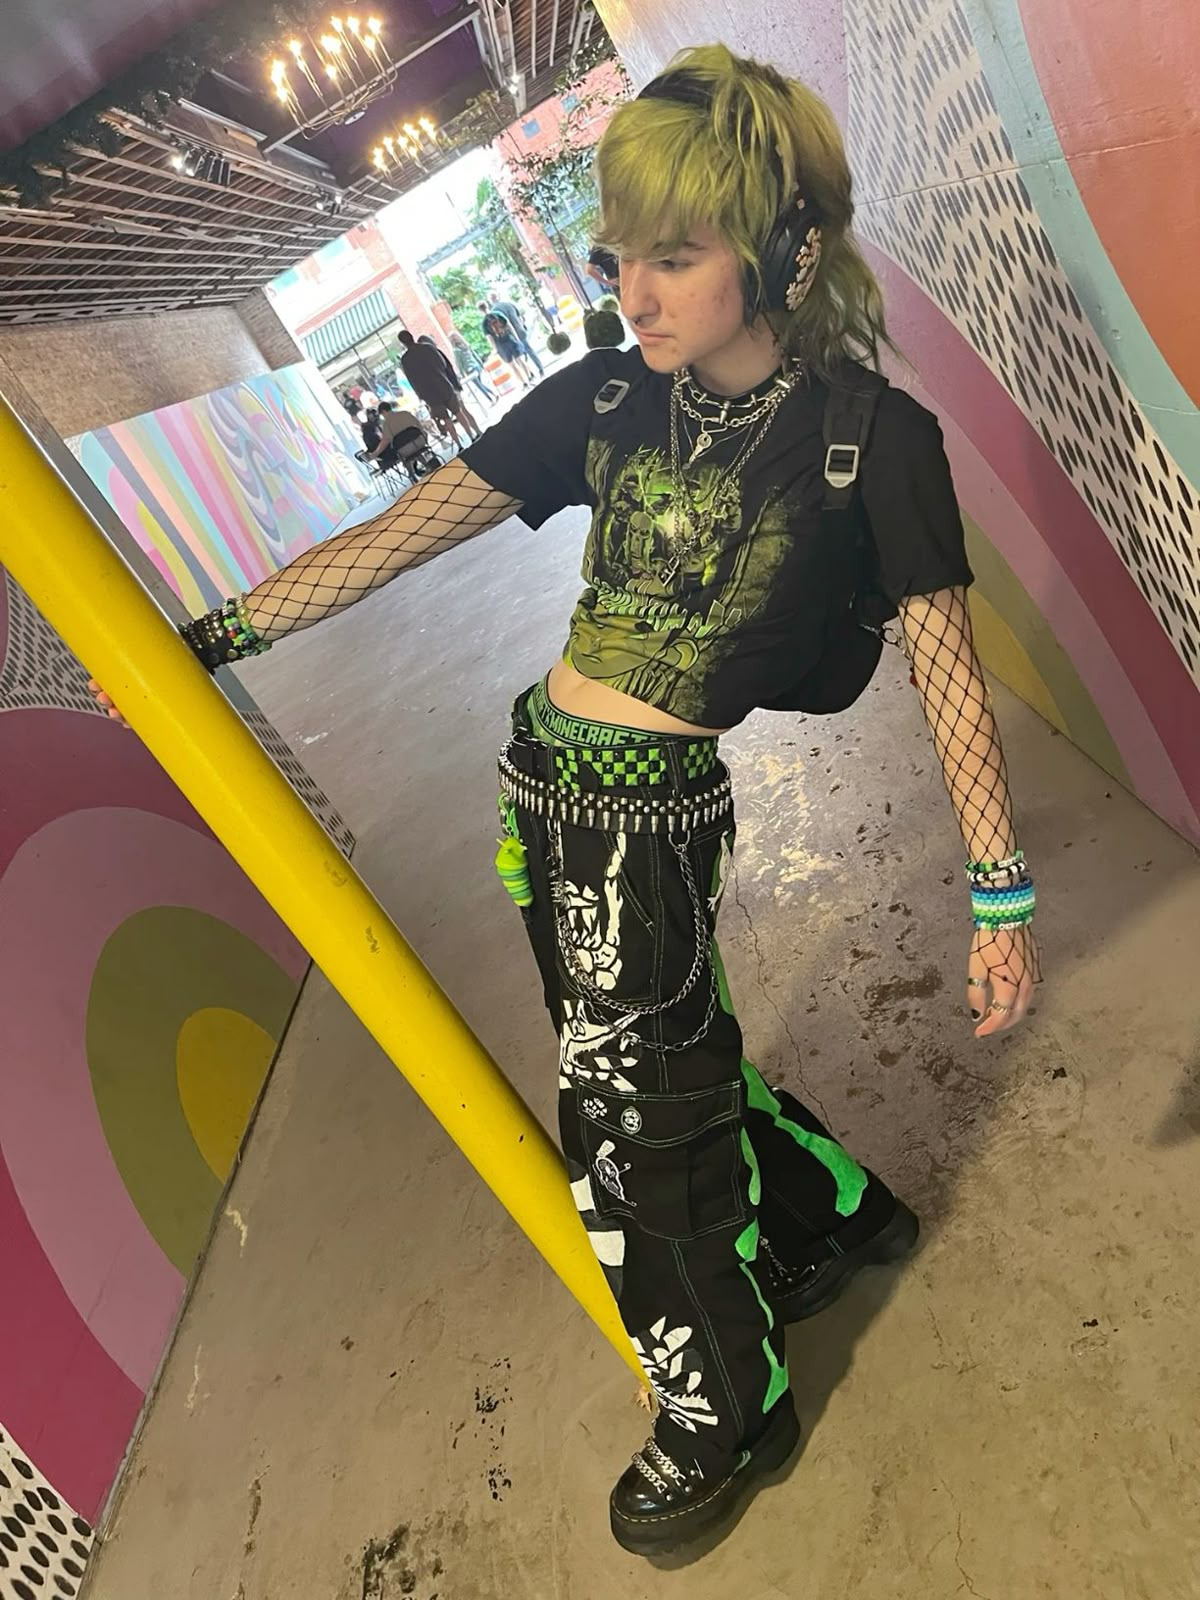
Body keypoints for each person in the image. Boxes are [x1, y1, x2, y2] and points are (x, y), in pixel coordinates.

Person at [94, 43, 1041, 1563]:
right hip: (542, 796)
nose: (635, 292)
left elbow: (946, 668)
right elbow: (409, 528)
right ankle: (832, 1216)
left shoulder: (875, 442)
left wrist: (1001, 897)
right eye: (620, 258)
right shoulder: (602, 396)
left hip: (648, 827)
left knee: (623, 1130)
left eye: (676, 256)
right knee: (659, 1059)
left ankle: (729, 1405)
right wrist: (210, 637)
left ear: (786, 251)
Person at [397, 328, 480, 449]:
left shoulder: (405, 360)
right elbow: (442, 364)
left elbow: (412, 380)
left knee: (446, 420)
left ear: (402, 343)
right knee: (458, 412)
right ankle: (472, 436)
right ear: (411, 336)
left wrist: (421, 395)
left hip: (429, 394)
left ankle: (459, 445)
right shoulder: (428, 348)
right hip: (443, 385)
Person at [478, 297, 543, 379]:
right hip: (515, 334)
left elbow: (490, 337)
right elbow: (516, 319)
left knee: (515, 362)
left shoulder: (488, 318)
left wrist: (495, 349)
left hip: (505, 341)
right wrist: (518, 332)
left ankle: (527, 378)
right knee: (525, 354)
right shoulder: (506, 307)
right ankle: (537, 371)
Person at [449, 329, 496, 408]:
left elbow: (459, 363)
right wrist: (480, 364)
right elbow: (474, 355)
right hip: (476, 366)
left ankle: (491, 398)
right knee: (481, 384)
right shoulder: (466, 345)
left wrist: (462, 374)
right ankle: (493, 395)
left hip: (470, 370)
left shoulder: (456, 350)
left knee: (479, 386)